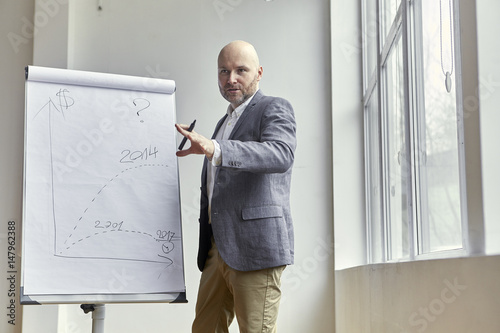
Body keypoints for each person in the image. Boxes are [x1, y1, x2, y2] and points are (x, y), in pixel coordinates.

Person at [175, 40, 296, 333]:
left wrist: (216, 148)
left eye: (241, 70)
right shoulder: (223, 122)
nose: (231, 79)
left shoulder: (273, 107)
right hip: (218, 249)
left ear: (259, 72)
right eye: (223, 71)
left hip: (256, 248)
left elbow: (280, 154)